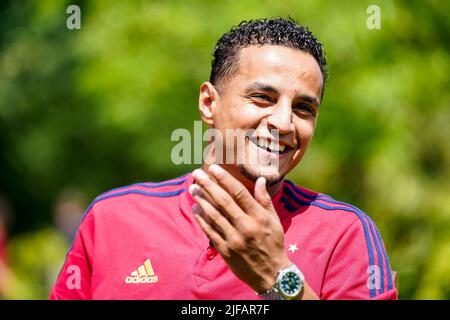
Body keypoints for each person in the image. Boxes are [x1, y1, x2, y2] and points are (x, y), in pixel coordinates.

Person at [50, 18, 397, 300]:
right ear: (208, 103)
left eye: (304, 108)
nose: (283, 122)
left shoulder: (344, 235)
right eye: (263, 97)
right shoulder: (113, 218)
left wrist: (278, 278)